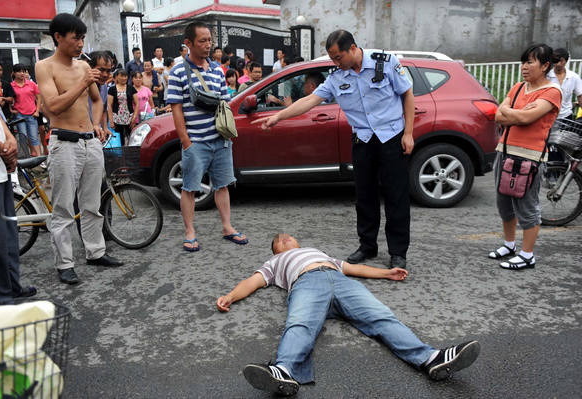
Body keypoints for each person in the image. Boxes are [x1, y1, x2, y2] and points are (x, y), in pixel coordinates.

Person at [217, 233, 480, 396]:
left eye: (289, 237)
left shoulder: (320, 253)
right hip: (306, 283)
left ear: (298, 242)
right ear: (276, 251)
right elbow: (252, 281)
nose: (284, 238)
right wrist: (230, 295)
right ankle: (283, 370)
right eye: (279, 241)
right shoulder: (275, 263)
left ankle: (431, 358)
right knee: (299, 325)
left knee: (381, 316)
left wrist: (386, 273)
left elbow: (354, 268)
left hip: (340, 280)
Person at [253, 30, 414, 268]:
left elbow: (407, 94)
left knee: (396, 196)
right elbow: (309, 101)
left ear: (352, 48)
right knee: (365, 197)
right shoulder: (337, 77)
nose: (335, 63)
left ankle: (398, 252)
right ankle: (368, 246)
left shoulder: (386, 62)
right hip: (363, 141)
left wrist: (409, 133)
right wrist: (278, 116)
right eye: (332, 58)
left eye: (338, 57)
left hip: (392, 137)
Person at [35, 13, 124, 285]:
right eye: (76, 37)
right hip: (64, 142)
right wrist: (84, 83)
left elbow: (97, 101)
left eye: (83, 37)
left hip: (90, 141)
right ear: (58, 37)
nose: (81, 43)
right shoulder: (44, 66)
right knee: (62, 207)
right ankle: (64, 263)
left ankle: (96, 252)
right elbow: (53, 107)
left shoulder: (83, 66)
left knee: (92, 204)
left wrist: (97, 124)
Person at [166, 21, 247, 251]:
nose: (208, 45)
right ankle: (190, 231)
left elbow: (224, 103)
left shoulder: (216, 69)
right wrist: (186, 142)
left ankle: (227, 227)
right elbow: (176, 109)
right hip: (196, 141)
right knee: (190, 187)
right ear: (188, 43)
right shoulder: (178, 71)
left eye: (209, 40)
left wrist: (227, 135)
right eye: (202, 41)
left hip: (220, 140)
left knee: (222, 185)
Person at [490, 43, 561, 270]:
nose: (524, 67)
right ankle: (509, 244)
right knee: (504, 203)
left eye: (530, 62)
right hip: (505, 151)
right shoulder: (519, 87)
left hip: (529, 157)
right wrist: (516, 114)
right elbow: (498, 116)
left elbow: (523, 119)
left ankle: (527, 254)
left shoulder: (552, 92)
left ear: (545, 66)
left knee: (527, 206)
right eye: (524, 62)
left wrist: (513, 114)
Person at [0, 15, 36, 302]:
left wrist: (10, 139)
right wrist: (5, 150)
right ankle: (0, 299)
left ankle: (11, 286)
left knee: (9, 232)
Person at [11, 64, 42, 156]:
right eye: (19, 71)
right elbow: (9, 99)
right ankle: (27, 157)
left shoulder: (31, 84)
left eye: (23, 71)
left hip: (32, 114)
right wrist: (12, 110)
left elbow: (39, 98)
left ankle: (39, 158)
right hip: (19, 115)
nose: (22, 73)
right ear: (14, 73)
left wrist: (37, 111)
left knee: (34, 137)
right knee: (23, 136)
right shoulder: (11, 85)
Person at [547, 48, 582, 121]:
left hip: (566, 116)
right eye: (556, 61)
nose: (558, 64)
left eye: (561, 61)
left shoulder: (573, 77)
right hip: (548, 116)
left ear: (566, 61)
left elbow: (580, 96)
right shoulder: (546, 76)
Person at [107, 69, 139, 146]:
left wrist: (134, 117)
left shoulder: (131, 88)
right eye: (122, 76)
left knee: (131, 138)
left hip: (129, 117)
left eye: (125, 76)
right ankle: (121, 155)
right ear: (117, 77)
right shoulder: (112, 89)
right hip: (117, 117)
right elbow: (109, 105)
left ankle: (130, 154)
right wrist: (111, 120)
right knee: (119, 139)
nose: (124, 78)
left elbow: (137, 103)